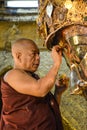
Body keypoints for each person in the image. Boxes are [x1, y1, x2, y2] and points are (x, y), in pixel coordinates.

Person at [0, 38, 68, 130]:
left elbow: (48, 107)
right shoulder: (13, 75)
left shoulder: (33, 78)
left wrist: (58, 92)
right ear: (18, 56)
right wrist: (56, 63)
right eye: (33, 54)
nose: (38, 58)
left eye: (38, 54)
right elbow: (40, 90)